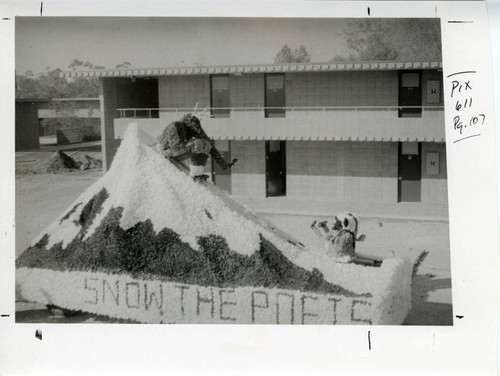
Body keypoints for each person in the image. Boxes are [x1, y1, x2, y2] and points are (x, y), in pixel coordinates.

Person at [157, 113, 236, 181]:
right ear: (187, 125)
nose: (194, 132)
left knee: (205, 143)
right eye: (193, 129)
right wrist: (191, 147)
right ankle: (195, 173)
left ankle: (198, 171)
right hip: (166, 151)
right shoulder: (175, 126)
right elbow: (172, 146)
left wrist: (223, 164)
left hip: (177, 149)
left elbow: (210, 145)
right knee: (197, 143)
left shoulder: (192, 129)